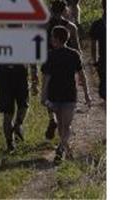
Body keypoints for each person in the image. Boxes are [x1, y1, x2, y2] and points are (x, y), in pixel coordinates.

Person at [41, 25, 91, 164]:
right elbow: (82, 76)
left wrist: (43, 95)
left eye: (52, 37)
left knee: (63, 125)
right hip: (69, 95)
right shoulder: (74, 54)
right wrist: (87, 94)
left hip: (55, 95)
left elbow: (46, 77)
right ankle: (64, 148)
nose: (50, 39)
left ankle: (60, 149)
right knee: (65, 126)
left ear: (56, 39)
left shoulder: (50, 55)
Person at [0, 63, 34, 152]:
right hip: (5, 75)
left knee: (23, 106)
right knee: (7, 113)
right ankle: (10, 143)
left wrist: (35, 75)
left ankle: (17, 126)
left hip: (19, 74)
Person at [89, 0, 106, 101]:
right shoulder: (97, 24)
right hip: (103, 59)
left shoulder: (97, 24)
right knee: (104, 87)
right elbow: (93, 43)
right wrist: (94, 60)